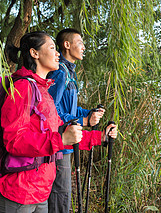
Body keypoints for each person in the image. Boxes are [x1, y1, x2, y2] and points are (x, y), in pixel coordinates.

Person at [0, 31, 115, 213]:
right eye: (52, 48)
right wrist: (61, 140)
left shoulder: (43, 90)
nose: (57, 53)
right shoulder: (23, 88)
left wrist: (100, 138)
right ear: (35, 53)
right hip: (20, 191)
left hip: (41, 191)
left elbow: (62, 129)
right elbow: (13, 141)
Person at [47, 28, 115, 213]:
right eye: (80, 43)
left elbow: (67, 107)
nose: (84, 47)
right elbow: (52, 109)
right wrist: (82, 120)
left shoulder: (69, 71)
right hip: (60, 143)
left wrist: (89, 113)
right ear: (67, 45)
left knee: (62, 193)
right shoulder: (60, 72)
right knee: (61, 194)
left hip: (66, 143)